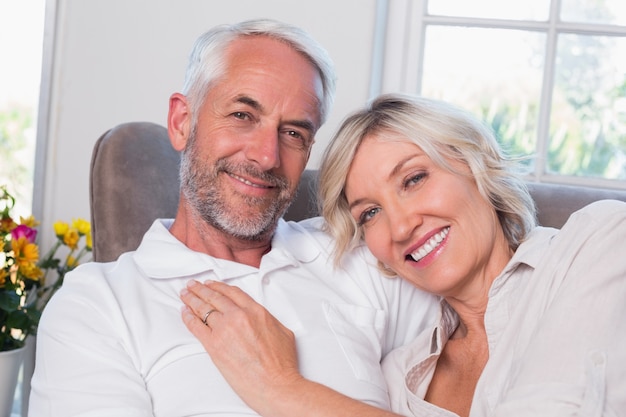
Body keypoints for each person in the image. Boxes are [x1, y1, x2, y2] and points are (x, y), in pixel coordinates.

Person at [28, 21, 441, 417]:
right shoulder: (99, 303)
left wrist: (281, 388)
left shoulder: (361, 256)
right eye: (242, 115)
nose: (266, 156)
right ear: (181, 122)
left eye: (294, 133)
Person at [181, 93, 626, 416]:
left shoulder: (597, 243)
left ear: (474, 165)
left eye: (413, 179)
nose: (400, 226)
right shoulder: (398, 378)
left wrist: (282, 388)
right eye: (370, 213)